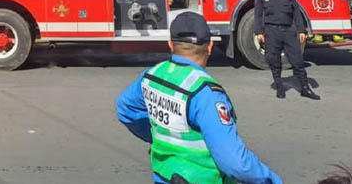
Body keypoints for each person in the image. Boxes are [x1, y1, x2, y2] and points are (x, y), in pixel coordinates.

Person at [116, 11, 282, 184]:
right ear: (209, 47)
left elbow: (125, 108)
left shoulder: (152, 75)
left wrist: (160, 140)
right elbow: (237, 164)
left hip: (165, 177)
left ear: (171, 44)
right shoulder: (205, 93)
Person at [254, 0, 320, 100]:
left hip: (288, 30)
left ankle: (305, 88)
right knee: (273, 59)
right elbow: (258, 15)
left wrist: (302, 30)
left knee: (297, 60)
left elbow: (296, 12)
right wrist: (259, 32)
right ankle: (279, 86)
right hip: (271, 31)